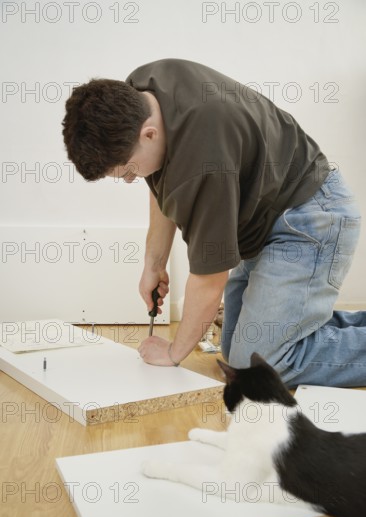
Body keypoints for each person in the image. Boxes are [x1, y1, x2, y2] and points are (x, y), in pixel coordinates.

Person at [62, 58, 365, 387]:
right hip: (268, 220)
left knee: (261, 365)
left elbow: (209, 280)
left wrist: (174, 352)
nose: (132, 181)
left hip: (310, 220)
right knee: (236, 348)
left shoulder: (203, 161)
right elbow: (159, 181)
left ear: (148, 134)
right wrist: (154, 263)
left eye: (129, 172)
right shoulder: (142, 90)